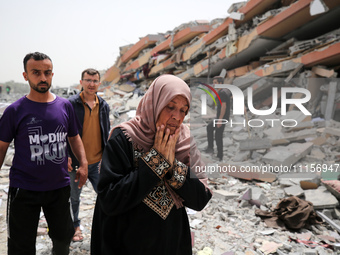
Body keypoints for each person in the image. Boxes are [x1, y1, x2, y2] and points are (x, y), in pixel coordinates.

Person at [91, 74, 212, 255]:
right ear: (155, 103)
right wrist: (155, 162)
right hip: (126, 243)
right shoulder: (124, 137)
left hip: (170, 241)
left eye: (183, 110)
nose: (176, 117)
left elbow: (201, 199)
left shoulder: (185, 143)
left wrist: (171, 168)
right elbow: (110, 199)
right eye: (170, 107)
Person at [0, 52, 88, 255]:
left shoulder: (64, 106)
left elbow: (74, 138)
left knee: (62, 239)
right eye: (36, 73)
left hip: (59, 187)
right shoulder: (15, 111)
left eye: (47, 73)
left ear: (52, 74)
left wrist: (83, 164)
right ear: (25, 75)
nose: (43, 78)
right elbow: (2, 147)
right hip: (24, 189)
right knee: (21, 245)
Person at [68, 68, 110, 242]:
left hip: (98, 163)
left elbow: (106, 133)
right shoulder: (71, 104)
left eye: (95, 81)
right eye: (88, 80)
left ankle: (107, 226)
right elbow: (63, 131)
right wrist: (66, 156)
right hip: (76, 163)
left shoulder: (104, 106)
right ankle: (75, 227)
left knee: (106, 194)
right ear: (81, 82)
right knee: (74, 198)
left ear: (99, 83)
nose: (91, 84)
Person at [205, 76, 231, 161]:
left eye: (215, 83)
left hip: (222, 118)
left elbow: (224, 106)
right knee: (210, 128)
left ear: (220, 83)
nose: (214, 84)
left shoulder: (222, 93)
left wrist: (220, 120)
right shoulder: (225, 90)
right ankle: (213, 150)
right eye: (213, 82)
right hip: (223, 117)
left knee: (218, 135)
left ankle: (219, 155)